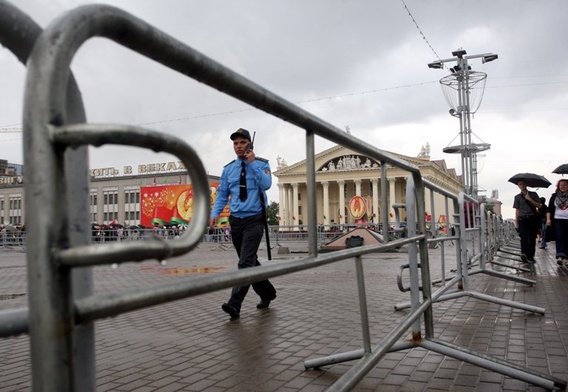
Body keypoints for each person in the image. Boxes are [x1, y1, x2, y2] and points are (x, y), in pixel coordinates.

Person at [209, 128, 277, 319]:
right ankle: (267, 293)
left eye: (242, 142)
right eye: (235, 143)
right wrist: (215, 213)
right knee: (250, 262)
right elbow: (222, 195)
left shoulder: (262, 164)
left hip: (254, 220)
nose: (239, 146)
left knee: (245, 263)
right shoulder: (228, 169)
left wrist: (253, 163)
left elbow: (266, 185)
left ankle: (234, 304)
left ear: (250, 144)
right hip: (236, 221)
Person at [512, 180, 542, 262]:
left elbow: (539, 206)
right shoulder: (517, 197)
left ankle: (531, 256)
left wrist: (529, 199)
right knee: (523, 237)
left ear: (526, 185)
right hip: (522, 218)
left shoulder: (533, 194)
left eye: (523, 184)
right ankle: (524, 254)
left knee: (532, 238)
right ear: (518, 186)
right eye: (520, 184)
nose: (522, 185)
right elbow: (517, 210)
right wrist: (516, 222)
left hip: (532, 218)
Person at [546, 179, 568, 266]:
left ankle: (566, 257)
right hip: (557, 219)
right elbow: (549, 208)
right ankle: (559, 256)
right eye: (561, 185)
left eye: (565, 185)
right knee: (559, 237)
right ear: (558, 186)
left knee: (567, 238)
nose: (563, 186)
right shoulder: (554, 196)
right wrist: (548, 219)